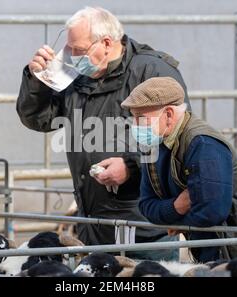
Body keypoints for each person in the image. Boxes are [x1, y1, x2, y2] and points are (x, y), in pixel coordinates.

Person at [16, 7, 190, 260]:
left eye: (79, 50)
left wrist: (130, 166)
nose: (72, 57)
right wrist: (36, 81)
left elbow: (178, 140)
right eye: (69, 49)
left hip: (144, 229)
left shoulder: (152, 73)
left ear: (107, 43)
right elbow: (39, 120)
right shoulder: (76, 77)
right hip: (92, 222)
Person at [121, 77, 237, 262]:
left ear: (169, 114)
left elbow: (212, 210)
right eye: (134, 117)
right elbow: (146, 205)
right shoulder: (154, 145)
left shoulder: (203, 144)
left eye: (141, 118)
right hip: (208, 246)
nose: (135, 125)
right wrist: (177, 207)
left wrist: (179, 223)